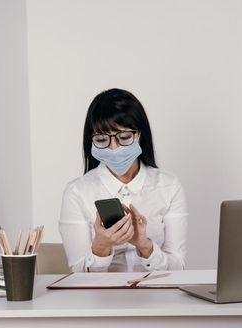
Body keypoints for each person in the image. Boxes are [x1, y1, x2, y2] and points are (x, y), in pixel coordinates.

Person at [59, 88, 188, 272]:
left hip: (157, 298)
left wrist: (145, 246)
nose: (113, 147)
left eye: (124, 137)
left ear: (139, 135)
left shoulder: (169, 186)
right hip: (100, 300)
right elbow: (78, 273)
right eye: (102, 139)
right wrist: (101, 247)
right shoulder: (77, 192)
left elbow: (178, 267)